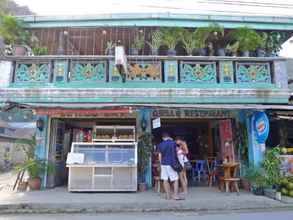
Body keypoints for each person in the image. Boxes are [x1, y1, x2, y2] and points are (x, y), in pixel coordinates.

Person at [157, 132, 180, 200]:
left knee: (165, 179)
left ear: (162, 138)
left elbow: (160, 156)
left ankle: (168, 196)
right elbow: (178, 150)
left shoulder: (160, 144)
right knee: (175, 179)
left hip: (164, 164)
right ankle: (175, 195)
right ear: (169, 137)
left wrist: (161, 164)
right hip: (172, 163)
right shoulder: (173, 143)